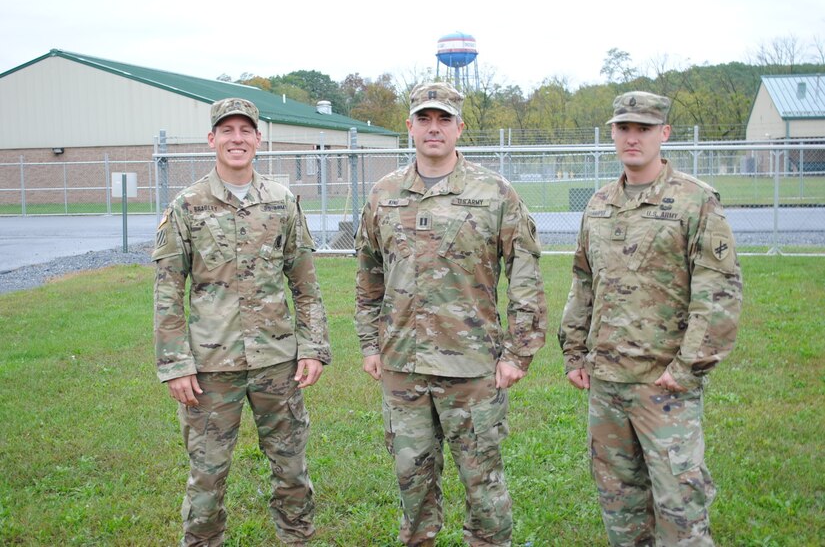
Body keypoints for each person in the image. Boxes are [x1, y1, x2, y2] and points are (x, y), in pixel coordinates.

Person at [355, 82, 547, 547]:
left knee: (483, 486)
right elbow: (368, 274)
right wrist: (369, 344)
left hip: (472, 366)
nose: (433, 128)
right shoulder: (384, 194)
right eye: (424, 119)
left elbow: (524, 272)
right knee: (412, 486)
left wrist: (518, 353)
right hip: (403, 366)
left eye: (444, 120)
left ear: (460, 127)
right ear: (410, 127)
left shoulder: (494, 193)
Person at [558, 91, 743, 546]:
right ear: (613, 134)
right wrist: (574, 351)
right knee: (620, 506)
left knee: (681, 509)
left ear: (664, 133)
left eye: (643, 128)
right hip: (606, 383)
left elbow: (718, 292)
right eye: (624, 128)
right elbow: (584, 281)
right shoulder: (599, 203)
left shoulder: (694, 201)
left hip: (664, 386)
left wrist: (685, 369)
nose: (632, 137)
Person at [152, 97, 331, 546]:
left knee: (291, 471)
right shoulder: (187, 206)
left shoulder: (282, 202)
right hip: (212, 367)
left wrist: (312, 347)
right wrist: (176, 364)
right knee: (207, 479)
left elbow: (305, 284)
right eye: (227, 131)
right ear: (212, 139)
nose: (237, 139)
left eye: (245, 130)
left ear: (258, 139)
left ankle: (297, 540)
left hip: (277, 362)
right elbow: (168, 290)